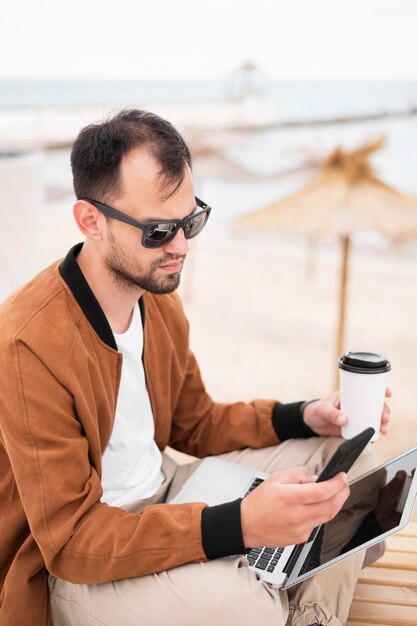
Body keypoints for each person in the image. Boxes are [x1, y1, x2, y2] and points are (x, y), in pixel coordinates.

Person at [0, 109, 391, 626]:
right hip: (82, 566)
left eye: (191, 221)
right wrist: (239, 526)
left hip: (171, 490)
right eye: (159, 230)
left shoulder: (155, 297)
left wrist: (306, 415)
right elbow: (73, 542)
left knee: (354, 462)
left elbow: (195, 421)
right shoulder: (28, 345)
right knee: (250, 605)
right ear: (90, 221)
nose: (181, 247)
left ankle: (303, 604)